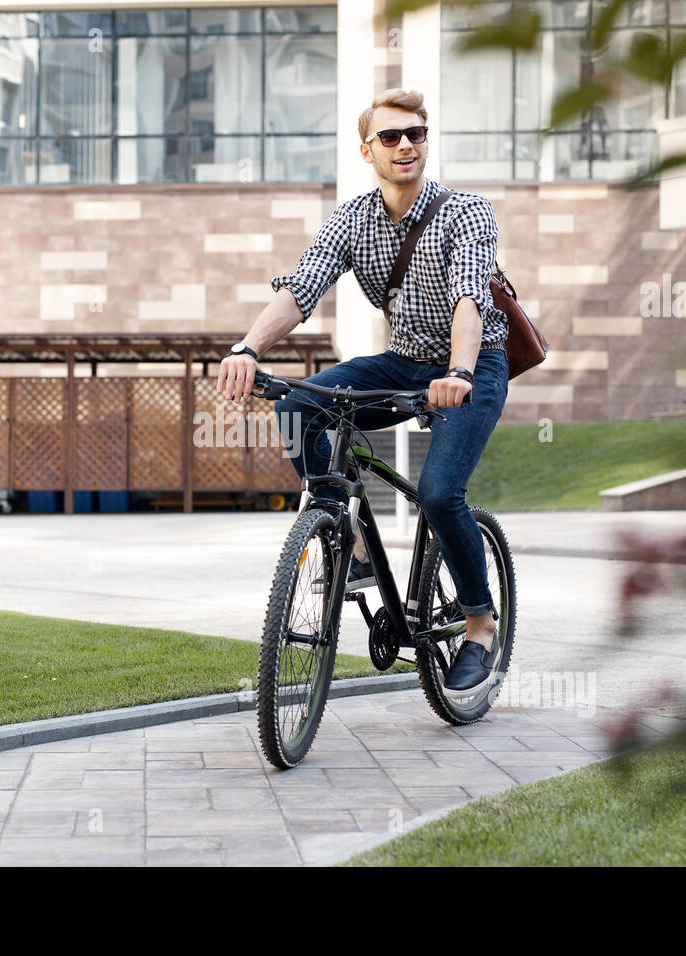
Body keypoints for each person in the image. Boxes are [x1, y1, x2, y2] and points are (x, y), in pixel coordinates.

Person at [215, 88, 509, 692]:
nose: (406, 145)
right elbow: (302, 286)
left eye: (417, 134)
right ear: (366, 149)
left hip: (471, 365)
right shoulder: (354, 218)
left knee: (438, 491)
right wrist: (247, 348)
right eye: (392, 136)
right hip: (402, 361)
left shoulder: (466, 212)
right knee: (300, 405)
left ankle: (480, 622)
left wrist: (456, 373)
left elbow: (469, 297)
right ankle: (349, 541)